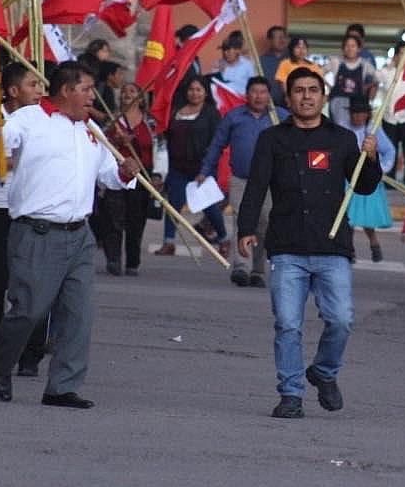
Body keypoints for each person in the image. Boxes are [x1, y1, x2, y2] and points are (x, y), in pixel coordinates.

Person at [0, 61, 140, 408]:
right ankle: (0, 359)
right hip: (36, 232)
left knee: (79, 314)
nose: (92, 97)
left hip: (80, 234)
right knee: (29, 310)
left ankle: (62, 386)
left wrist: (125, 174)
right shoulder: (30, 118)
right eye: (86, 89)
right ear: (67, 90)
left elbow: (108, 178)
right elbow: (4, 136)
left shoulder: (91, 130)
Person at [237, 67, 381, 419]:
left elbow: (363, 186)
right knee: (287, 323)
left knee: (342, 319)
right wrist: (245, 229)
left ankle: (324, 371)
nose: (306, 96)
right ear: (289, 99)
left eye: (313, 90)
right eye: (299, 90)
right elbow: (256, 187)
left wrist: (371, 158)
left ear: (323, 96)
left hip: (332, 247)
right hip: (287, 246)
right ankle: (291, 394)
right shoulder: (272, 139)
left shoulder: (343, 139)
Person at [0, 61, 47, 374]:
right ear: (13, 91)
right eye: (33, 85)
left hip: (32, 211)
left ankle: (31, 352)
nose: (40, 92)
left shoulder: (46, 122)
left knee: (33, 285)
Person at [196, 76, 288, 287]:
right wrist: (205, 171)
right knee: (242, 221)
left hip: (270, 182)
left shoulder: (280, 118)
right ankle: (241, 267)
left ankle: (257, 270)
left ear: (269, 95)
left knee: (265, 224)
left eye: (263, 92)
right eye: (254, 92)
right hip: (241, 179)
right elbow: (217, 144)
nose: (259, 96)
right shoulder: (234, 117)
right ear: (247, 94)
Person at [156, 74, 228, 257]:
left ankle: (223, 238)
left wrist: (207, 167)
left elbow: (218, 142)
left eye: (198, 90)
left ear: (205, 93)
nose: (194, 93)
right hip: (177, 166)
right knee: (173, 204)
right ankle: (168, 242)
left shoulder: (211, 113)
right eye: (191, 89)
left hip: (202, 167)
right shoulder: (176, 111)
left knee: (209, 206)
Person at [102, 82, 155, 276]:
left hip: (141, 176)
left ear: (140, 98)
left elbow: (155, 146)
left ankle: (133, 261)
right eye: (123, 91)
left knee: (136, 219)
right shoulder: (112, 119)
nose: (126, 94)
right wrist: (116, 141)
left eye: (132, 91)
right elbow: (101, 142)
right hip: (116, 173)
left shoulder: (149, 121)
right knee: (113, 217)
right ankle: (114, 259)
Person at [345, 95, 394, 262]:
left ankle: (374, 243)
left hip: (368, 177)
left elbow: (389, 151)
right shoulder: (344, 129)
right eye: (354, 113)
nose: (357, 116)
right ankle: (349, 249)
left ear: (367, 114)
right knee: (348, 216)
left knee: (367, 217)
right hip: (348, 178)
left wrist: (382, 169)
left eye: (361, 113)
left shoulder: (374, 131)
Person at [379, 40, 405, 186]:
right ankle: (388, 182)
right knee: (390, 150)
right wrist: (391, 65)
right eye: (402, 53)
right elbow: (375, 77)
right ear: (396, 56)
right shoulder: (386, 73)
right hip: (389, 118)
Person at [327, 33, 377, 128]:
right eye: (347, 46)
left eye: (353, 46)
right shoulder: (337, 62)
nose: (350, 49)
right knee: (341, 127)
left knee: (361, 128)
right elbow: (319, 73)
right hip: (339, 100)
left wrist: (370, 88)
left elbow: (377, 78)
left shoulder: (365, 64)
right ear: (343, 48)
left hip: (357, 103)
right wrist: (327, 87)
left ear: (359, 49)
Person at [274, 36, 321, 104]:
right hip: (291, 99)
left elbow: (317, 85)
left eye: (304, 48)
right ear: (292, 49)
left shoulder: (314, 66)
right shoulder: (285, 63)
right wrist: (289, 97)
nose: (301, 50)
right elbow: (283, 83)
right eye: (298, 47)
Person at [212, 30, 255, 95]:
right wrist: (220, 72)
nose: (225, 53)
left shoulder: (247, 64)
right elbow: (214, 84)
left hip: (242, 99)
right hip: (225, 100)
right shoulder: (217, 64)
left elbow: (253, 85)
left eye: (228, 50)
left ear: (237, 51)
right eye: (223, 50)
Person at [259, 25, 287, 107]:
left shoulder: (293, 60)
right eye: (278, 37)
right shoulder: (260, 61)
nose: (282, 40)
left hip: (290, 107)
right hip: (267, 106)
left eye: (284, 37)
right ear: (270, 40)